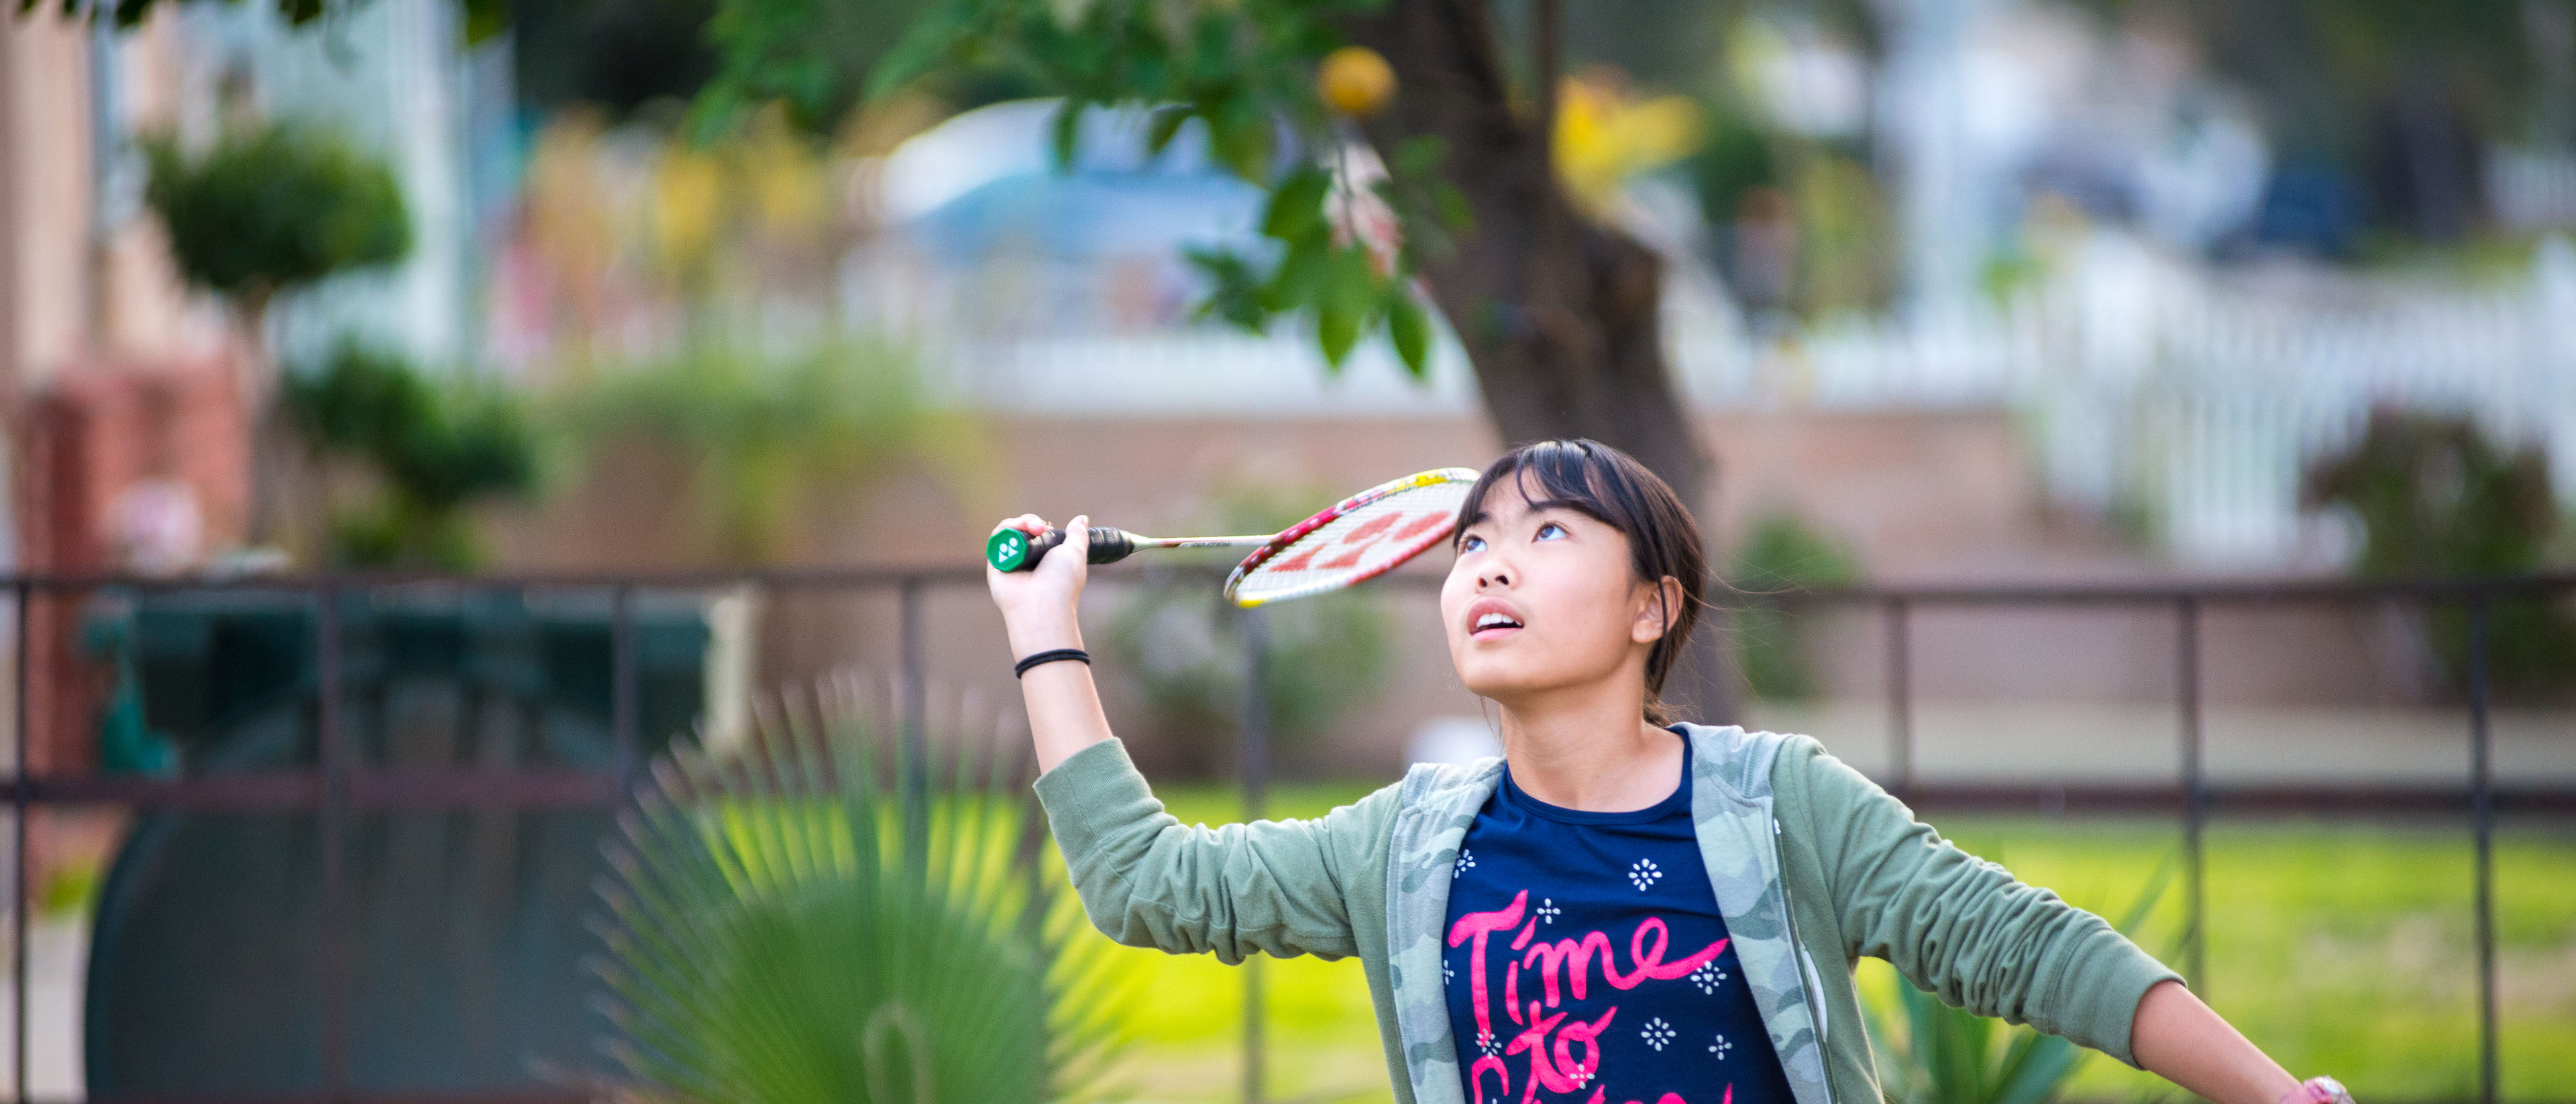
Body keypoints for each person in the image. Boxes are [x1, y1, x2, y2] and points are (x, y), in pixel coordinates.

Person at [987, 438, 2349, 1104]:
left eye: (1551, 532)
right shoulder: (1404, 847)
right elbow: (1146, 885)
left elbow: (2028, 948)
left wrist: (2277, 1099)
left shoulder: (1781, 804)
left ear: (1654, 607)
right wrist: (1043, 633)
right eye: (1470, 545)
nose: (1492, 563)